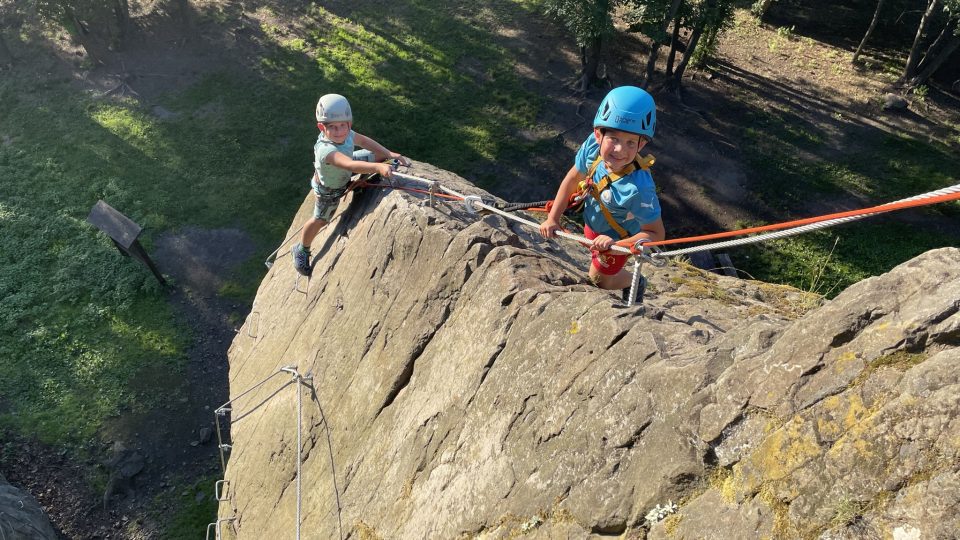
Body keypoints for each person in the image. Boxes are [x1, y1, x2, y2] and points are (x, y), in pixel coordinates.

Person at [538, 86, 665, 302]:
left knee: (600, 280)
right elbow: (572, 180)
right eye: (613, 139)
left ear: (641, 144)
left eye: (630, 143)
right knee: (592, 252)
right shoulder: (591, 148)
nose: (619, 150)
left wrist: (618, 248)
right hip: (593, 227)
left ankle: (634, 281)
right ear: (598, 134)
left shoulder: (639, 189)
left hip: (618, 241)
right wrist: (553, 218)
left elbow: (656, 234)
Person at [292, 93, 410, 276]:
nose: (339, 131)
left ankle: (361, 178)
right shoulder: (327, 150)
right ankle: (301, 249)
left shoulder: (347, 134)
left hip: (345, 170)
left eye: (342, 126)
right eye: (332, 127)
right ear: (321, 127)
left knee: (380, 156)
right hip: (330, 190)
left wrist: (387, 153)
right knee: (321, 219)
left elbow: (364, 141)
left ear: (349, 123)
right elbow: (349, 164)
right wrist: (378, 168)